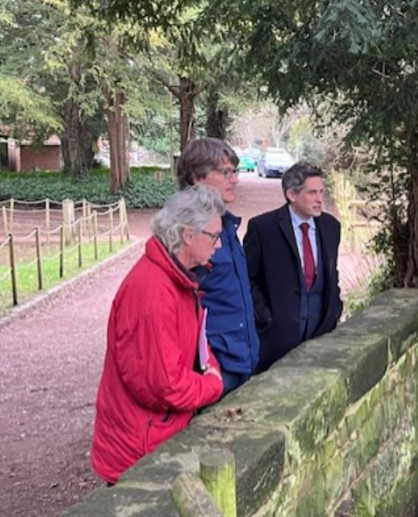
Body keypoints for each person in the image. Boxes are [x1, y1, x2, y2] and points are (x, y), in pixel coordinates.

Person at [91, 186, 226, 484]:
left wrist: (209, 370)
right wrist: (212, 385)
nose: (218, 245)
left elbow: (195, 345)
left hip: (155, 434)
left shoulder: (178, 277)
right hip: (139, 448)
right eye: (214, 236)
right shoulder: (153, 291)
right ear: (188, 235)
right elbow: (164, 386)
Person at [175, 137, 259, 394]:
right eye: (225, 172)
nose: (235, 179)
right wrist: (207, 363)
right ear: (197, 178)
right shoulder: (187, 231)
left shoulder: (224, 224)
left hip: (241, 360)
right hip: (213, 368)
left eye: (234, 171)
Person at [244, 162, 343, 371]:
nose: (319, 199)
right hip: (277, 341)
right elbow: (248, 278)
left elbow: (331, 273)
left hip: (320, 335)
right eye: (312, 193)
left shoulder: (331, 226)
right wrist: (266, 316)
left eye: (322, 192)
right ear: (291, 194)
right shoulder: (263, 228)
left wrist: (334, 309)